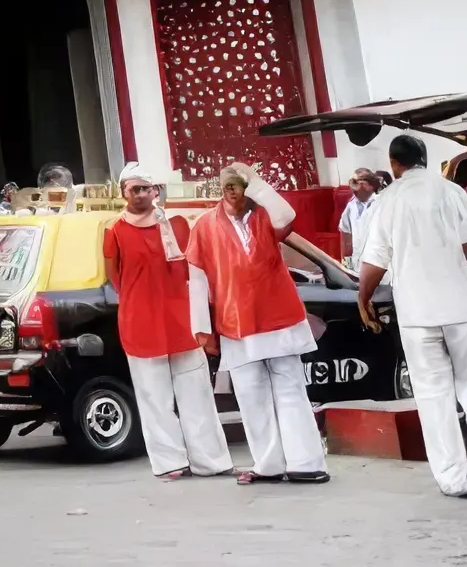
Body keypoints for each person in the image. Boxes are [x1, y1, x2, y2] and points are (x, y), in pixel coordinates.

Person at [357, 132, 467, 498]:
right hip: (462, 309)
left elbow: (374, 261)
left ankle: (453, 480)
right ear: (424, 158)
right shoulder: (451, 192)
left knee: (433, 397)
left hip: (417, 315)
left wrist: (364, 298)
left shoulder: (387, 201)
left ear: (394, 164)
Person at [186, 162, 328, 486]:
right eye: (228, 186)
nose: (234, 191)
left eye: (239, 184)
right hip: (235, 321)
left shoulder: (266, 214)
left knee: (290, 390)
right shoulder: (204, 226)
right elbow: (197, 280)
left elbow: (287, 218)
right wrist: (202, 330)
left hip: (279, 318)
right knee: (251, 395)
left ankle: (306, 463)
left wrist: (258, 183)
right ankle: (268, 465)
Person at [103, 164, 231, 480]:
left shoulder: (177, 225)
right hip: (140, 323)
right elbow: (114, 275)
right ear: (123, 193)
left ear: (155, 191)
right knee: (153, 399)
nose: (141, 194)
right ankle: (170, 464)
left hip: (182, 322)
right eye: (134, 189)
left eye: (146, 188)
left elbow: (196, 270)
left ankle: (211, 462)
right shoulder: (114, 230)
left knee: (197, 393)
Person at [337, 168, 382, 258]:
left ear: (371, 186)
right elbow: (346, 238)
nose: (357, 192)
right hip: (357, 258)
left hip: (377, 259)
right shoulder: (351, 206)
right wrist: (345, 263)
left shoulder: (381, 202)